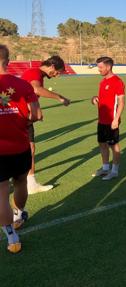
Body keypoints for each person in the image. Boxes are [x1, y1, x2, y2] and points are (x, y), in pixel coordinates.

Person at [0, 44, 42, 252]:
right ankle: (19, 214)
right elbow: (37, 116)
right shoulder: (24, 85)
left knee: (1, 194)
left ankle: (11, 236)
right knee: (20, 183)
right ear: (8, 62)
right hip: (20, 145)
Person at [21, 55, 71, 194]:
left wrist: (36, 109)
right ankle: (28, 184)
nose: (56, 75)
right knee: (25, 149)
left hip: (25, 116)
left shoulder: (37, 74)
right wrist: (60, 98)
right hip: (19, 117)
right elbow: (36, 90)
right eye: (57, 72)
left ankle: (30, 184)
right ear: (52, 66)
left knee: (30, 148)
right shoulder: (34, 72)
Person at [91, 57, 125, 180]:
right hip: (101, 120)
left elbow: (121, 102)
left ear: (108, 67)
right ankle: (105, 168)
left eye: (100, 67)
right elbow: (103, 98)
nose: (98, 70)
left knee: (114, 145)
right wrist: (94, 98)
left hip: (112, 120)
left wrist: (116, 119)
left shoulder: (117, 81)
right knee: (102, 143)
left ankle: (114, 171)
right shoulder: (103, 82)